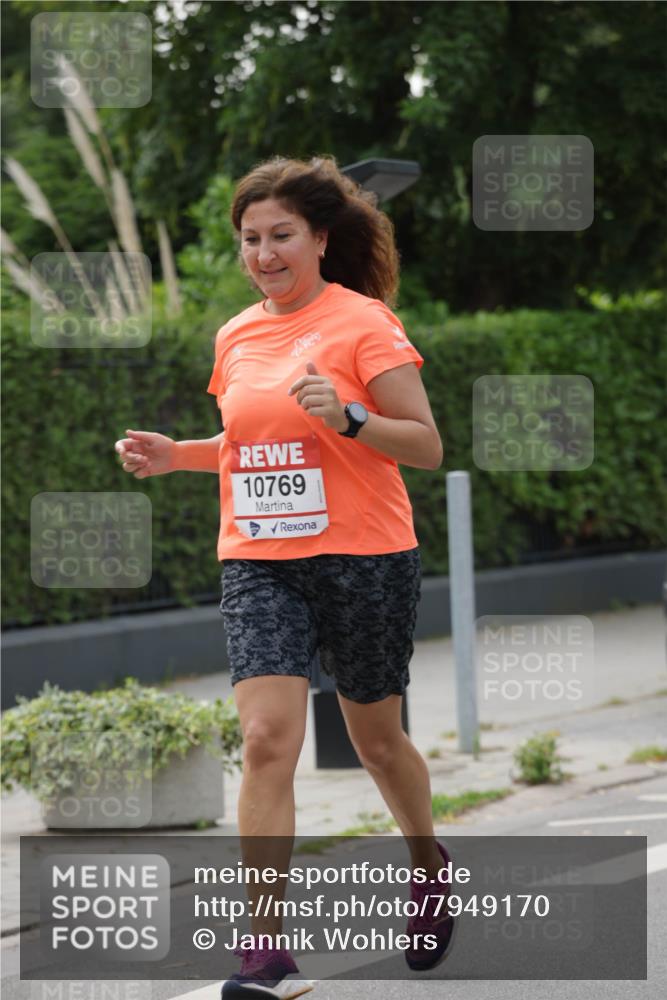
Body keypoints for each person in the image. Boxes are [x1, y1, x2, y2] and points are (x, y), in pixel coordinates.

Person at [115, 155, 455, 999]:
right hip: (261, 560)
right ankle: (264, 953)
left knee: (376, 741)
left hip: (364, 554)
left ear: (319, 239)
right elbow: (248, 445)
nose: (264, 253)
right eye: (250, 239)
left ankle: (428, 862)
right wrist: (177, 456)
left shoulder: (363, 323)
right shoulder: (234, 334)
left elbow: (424, 443)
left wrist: (348, 415)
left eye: (280, 236)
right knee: (267, 742)